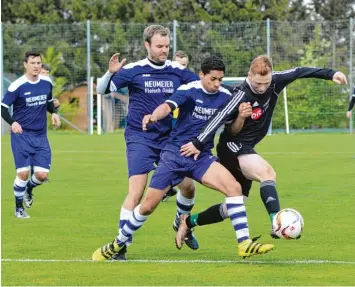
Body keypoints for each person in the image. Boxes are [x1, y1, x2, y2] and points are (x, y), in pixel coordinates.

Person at [92, 56, 274, 261]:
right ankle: (118, 243)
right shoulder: (189, 90)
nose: (216, 84)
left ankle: (244, 243)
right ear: (202, 75)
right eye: (212, 79)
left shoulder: (226, 96)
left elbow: (233, 126)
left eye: (220, 80)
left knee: (235, 189)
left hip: (201, 157)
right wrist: (154, 115)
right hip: (175, 156)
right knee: (147, 206)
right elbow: (167, 107)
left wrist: (242, 115)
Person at [176, 55, 348, 241]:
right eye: (258, 83)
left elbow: (299, 71)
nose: (262, 88)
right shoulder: (241, 94)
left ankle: (189, 222)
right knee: (267, 172)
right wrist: (198, 143)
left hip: (246, 146)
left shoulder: (275, 81)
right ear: (249, 75)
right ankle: (277, 222)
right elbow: (225, 124)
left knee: (234, 205)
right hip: (231, 146)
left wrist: (331, 74)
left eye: (265, 83)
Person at [95, 25, 200, 260]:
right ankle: (120, 245)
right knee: (137, 191)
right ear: (147, 45)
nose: (164, 50)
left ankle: (180, 221)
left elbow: (201, 88)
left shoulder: (178, 70)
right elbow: (102, 90)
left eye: (167, 46)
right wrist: (110, 73)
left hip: (169, 139)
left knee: (189, 186)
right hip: (139, 137)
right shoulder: (133, 70)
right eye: (159, 46)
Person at [1, 51, 61, 218]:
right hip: (22, 136)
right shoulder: (17, 86)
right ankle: (19, 208)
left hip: (41, 136)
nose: (36, 66)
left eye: (38, 63)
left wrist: (54, 113)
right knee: (23, 173)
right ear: (25, 64)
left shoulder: (46, 82)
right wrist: (13, 122)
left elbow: (49, 102)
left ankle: (28, 189)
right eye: (33, 63)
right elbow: (3, 108)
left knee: (42, 175)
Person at [162, 50, 191, 202]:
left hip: (182, 125)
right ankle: (168, 185)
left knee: (176, 156)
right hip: (166, 122)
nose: (182, 68)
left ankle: (169, 185)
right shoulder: (167, 80)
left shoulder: (191, 83)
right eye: (179, 65)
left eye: (184, 65)